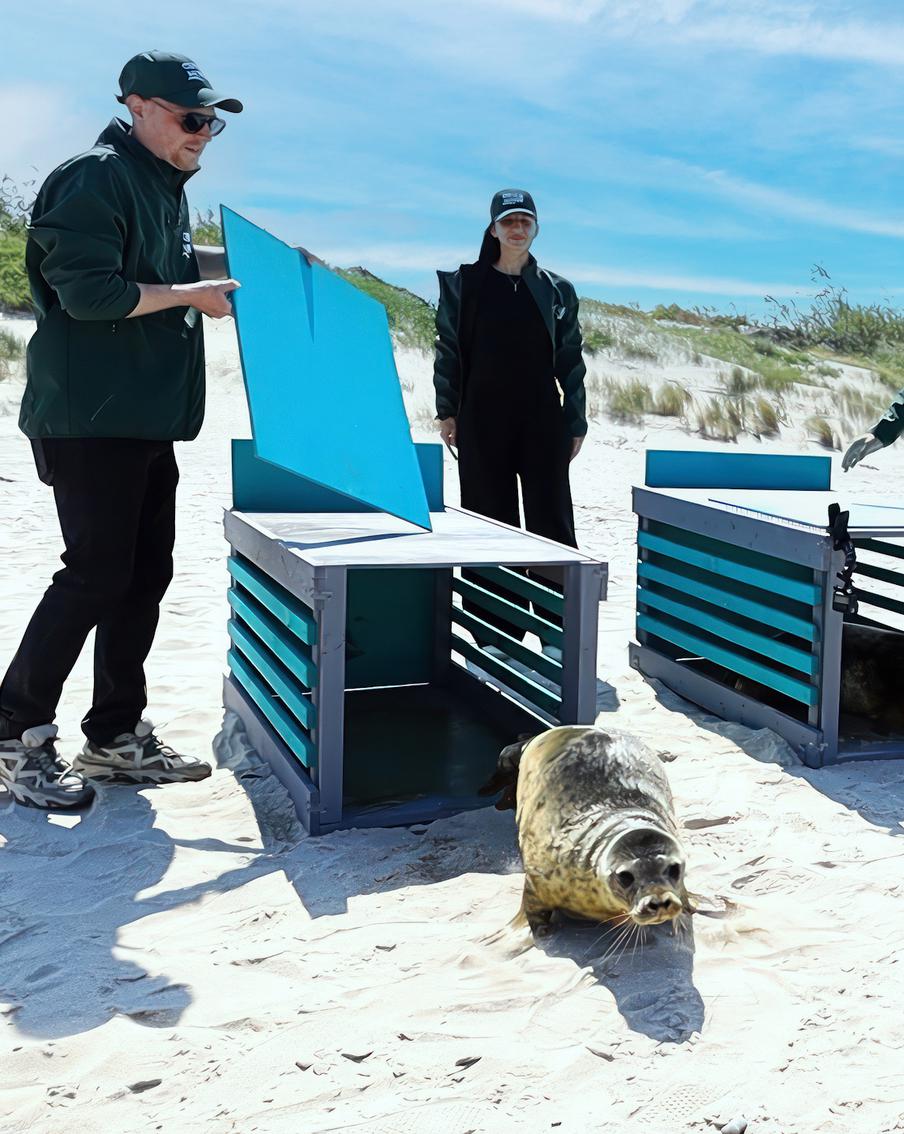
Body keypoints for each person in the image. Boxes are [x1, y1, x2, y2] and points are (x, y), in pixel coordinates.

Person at [0, 51, 243, 810]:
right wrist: (188, 297)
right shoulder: (96, 174)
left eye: (212, 120)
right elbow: (91, 294)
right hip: (89, 418)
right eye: (190, 116)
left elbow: (163, 266)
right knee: (94, 574)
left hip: (144, 421)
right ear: (137, 106)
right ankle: (14, 733)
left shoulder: (163, 190)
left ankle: (114, 738)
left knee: (143, 577)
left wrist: (238, 273)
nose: (204, 131)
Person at [432, 189, 587, 649]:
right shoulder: (464, 283)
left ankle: (557, 628)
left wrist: (575, 420)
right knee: (487, 518)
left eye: (525, 221)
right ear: (493, 228)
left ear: (535, 227)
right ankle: (493, 630)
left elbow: (571, 359)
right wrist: (447, 409)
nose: (517, 230)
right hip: (481, 416)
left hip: (542, 417)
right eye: (508, 222)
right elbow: (448, 350)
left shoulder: (556, 289)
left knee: (552, 520)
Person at [843, 388, 904, 471]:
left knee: (876, 436)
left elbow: (899, 396)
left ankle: (851, 458)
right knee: (878, 440)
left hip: (895, 414)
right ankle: (851, 459)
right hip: (897, 419)